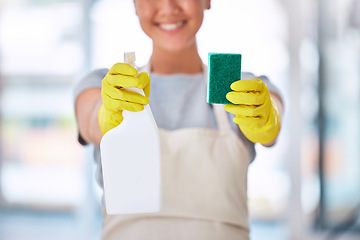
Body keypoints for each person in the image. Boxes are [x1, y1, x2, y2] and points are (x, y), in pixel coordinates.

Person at [73, 0, 283, 239]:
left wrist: (270, 119)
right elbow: (90, 119)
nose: (168, 6)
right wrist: (104, 118)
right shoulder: (108, 86)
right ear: (134, 4)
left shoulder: (238, 86)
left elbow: (274, 109)